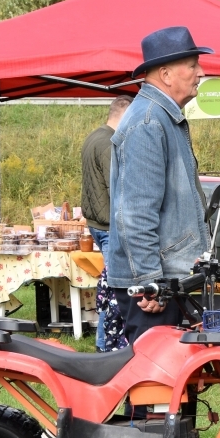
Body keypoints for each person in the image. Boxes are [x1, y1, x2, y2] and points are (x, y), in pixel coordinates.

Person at [107, 27, 211, 343]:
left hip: (167, 280)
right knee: (157, 387)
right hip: (154, 288)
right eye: (192, 65)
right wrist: (150, 283)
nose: (201, 72)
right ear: (165, 74)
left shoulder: (160, 117)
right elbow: (135, 214)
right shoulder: (149, 122)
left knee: (175, 385)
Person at [81, 95, 133, 351]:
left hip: (97, 222)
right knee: (115, 293)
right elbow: (118, 188)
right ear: (123, 114)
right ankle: (104, 345)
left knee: (111, 288)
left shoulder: (94, 137)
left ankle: (106, 343)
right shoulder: (109, 143)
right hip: (109, 225)